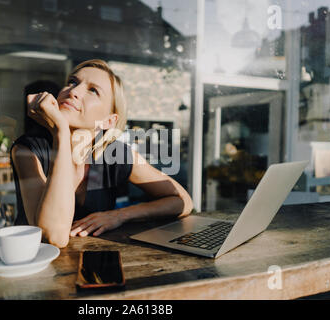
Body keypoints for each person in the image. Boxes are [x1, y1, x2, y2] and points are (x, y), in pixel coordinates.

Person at [10, 59, 193, 248]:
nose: (73, 91)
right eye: (73, 82)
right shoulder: (28, 150)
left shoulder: (115, 154)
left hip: (95, 265)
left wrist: (120, 215)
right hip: (33, 270)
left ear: (109, 121)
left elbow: (183, 202)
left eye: (93, 90)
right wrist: (61, 133)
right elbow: (53, 236)